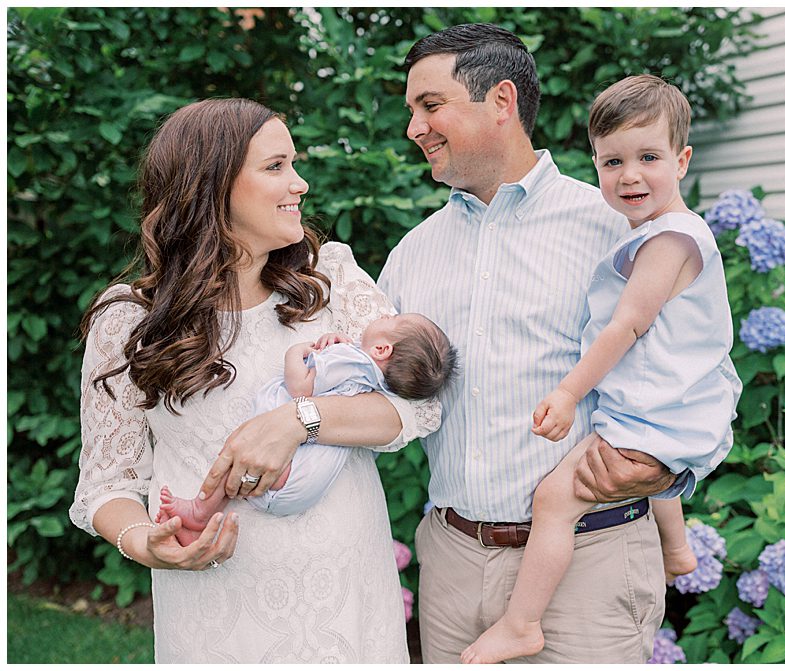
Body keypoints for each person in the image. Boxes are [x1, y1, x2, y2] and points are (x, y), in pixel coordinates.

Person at [70, 98, 440, 663]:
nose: (301, 183)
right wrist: (146, 543)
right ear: (209, 185)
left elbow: (416, 409)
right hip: (217, 604)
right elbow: (105, 486)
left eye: (294, 163)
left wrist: (297, 421)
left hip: (346, 596)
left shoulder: (329, 280)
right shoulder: (127, 320)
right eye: (276, 167)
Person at [377, 24, 685, 663]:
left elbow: (696, 374)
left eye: (430, 106)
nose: (414, 128)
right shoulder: (411, 255)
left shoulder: (619, 231)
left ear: (502, 101)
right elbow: (382, 395)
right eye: (412, 110)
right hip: (451, 562)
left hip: (593, 566)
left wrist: (671, 465)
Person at [461, 74, 743, 664]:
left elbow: (626, 327)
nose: (630, 175)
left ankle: (522, 622)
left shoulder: (668, 241)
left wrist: (566, 394)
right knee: (637, 454)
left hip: (657, 408)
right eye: (612, 161)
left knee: (555, 500)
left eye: (648, 157)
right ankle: (678, 550)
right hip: (665, 406)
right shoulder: (661, 232)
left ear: (682, 160)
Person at [157, 315, 457, 544]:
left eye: (391, 319)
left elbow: (301, 387)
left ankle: (200, 510)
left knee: (239, 454)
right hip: (304, 484)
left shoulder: (350, 359)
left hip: (289, 471)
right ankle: (202, 523)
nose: (383, 315)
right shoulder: (373, 380)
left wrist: (295, 353)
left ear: (381, 348)